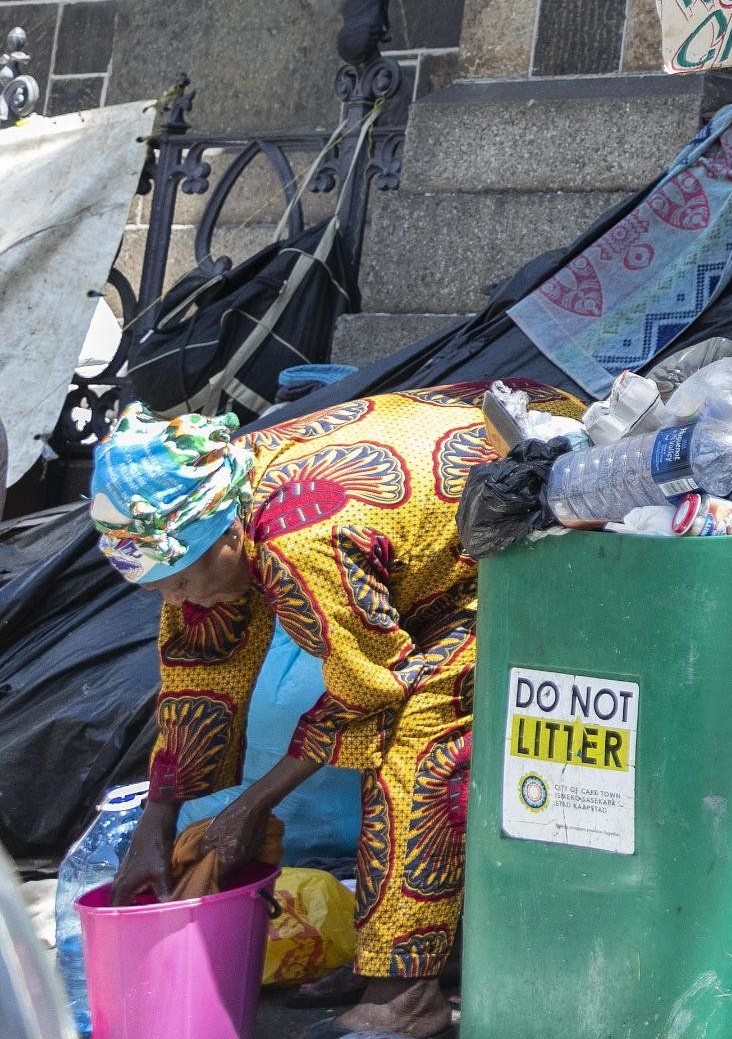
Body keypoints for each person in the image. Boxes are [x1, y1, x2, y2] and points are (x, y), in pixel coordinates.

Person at [95, 389, 572, 1037]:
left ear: (228, 534)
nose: (177, 599)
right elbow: (199, 672)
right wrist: (157, 819)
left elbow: (368, 689)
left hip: (512, 533)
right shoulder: (218, 495)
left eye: (180, 580)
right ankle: (409, 948)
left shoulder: (302, 536)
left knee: (416, 738)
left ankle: (404, 994)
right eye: (158, 589)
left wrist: (252, 805)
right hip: (420, 552)